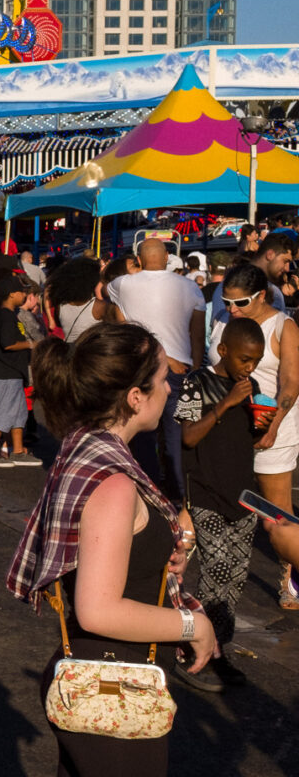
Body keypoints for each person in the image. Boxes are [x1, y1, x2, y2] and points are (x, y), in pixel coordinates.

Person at [8, 322, 215, 777]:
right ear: (133, 396)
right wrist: (189, 625)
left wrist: (166, 554)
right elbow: (100, 606)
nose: (169, 387)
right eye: (160, 379)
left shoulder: (85, 451)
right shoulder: (114, 478)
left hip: (84, 682)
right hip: (116, 687)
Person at [175, 315, 263, 691]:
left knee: (235, 579)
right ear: (224, 350)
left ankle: (218, 650)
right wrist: (226, 403)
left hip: (241, 495)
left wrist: (265, 425)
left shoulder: (252, 386)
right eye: (244, 359)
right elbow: (188, 438)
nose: (250, 368)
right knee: (216, 573)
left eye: (256, 361)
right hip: (207, 492)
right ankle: (194, 650)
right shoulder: (197, 382)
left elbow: (249, 442)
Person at [211, 263, 299, 608]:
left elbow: (291, 383)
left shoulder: (283, 326)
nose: (232, 310)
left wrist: (273, 426)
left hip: (273, 429)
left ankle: (292, 575)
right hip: (227, 430)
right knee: (214, 503)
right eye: (227, 301)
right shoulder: (222, 320)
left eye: (241, 303)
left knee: (276, 515)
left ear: (261, 295)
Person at [107, 238, 205, 494]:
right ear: (166, 259)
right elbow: (197, 334)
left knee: (141, 431)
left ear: (138, 261)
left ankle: (146, 487)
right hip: (180, 369)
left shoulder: (122, 284)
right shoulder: (190, 287)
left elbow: (120, 320)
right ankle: (178, 491)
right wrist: (194, 366)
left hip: (141, 365)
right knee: (176, 433)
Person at [0, 275, 41, 468]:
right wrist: (31, 344)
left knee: (19, 411)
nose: (25, 295)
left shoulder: (10, 314)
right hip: (6, 371)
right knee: (5, 410)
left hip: (14, 371)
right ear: (12, 294)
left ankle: (18, 450)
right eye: (22, 292)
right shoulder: (5, 316)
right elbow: (7, 344)